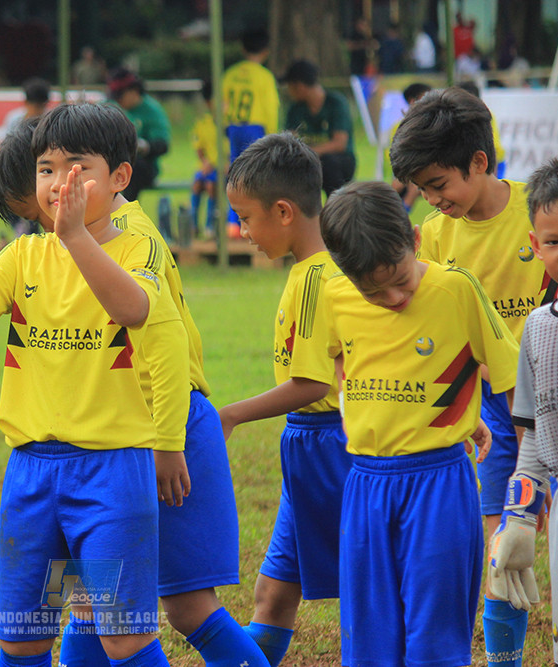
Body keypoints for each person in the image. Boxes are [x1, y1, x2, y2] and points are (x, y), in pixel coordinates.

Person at [0, 104, 270, 667]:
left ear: (106, 176)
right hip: (97, 442)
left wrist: (168, 441)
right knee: (88, 601)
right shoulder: (58, 242)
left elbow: (164, 348)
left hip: (160, 428)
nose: (46, 222)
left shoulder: (129, 238)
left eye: (45, 202)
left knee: (184, 605)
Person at [0, 102, 174, 667]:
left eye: (76, 168)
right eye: (46, 169)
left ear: (118, 177)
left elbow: (134, 308)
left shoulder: (136, 247)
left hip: (111, 474)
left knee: (122, 634)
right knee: (24, 636)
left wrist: (75, 238)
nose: (56, 183)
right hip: (33, 477)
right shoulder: (24, 253)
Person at [390, 86, 557, 667]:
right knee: (502, 548)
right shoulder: (434, 237)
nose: (432, 200)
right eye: (423, 190)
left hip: (557, 403)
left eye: (439, 185)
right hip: (488, 410)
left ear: (480, 162)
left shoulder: (540, 209)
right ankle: (505, 660)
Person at [320, 180, 519, 667]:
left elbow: (510, 375)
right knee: (369, 642)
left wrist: (534, 458)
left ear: (414, 241)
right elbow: (345, 364)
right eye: (373, 292)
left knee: (436, 641)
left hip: (439, 484)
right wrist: (403, 412)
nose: (393, 298)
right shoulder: (334, 297)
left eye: (402, 281)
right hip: (366, 484)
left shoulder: (456, 289)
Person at [218, 133, 353, 667]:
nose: (242, 231)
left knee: (365, 590)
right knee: (272, 597)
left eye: (246, 218)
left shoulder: (320, 276)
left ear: (283, 210)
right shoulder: (306, 270)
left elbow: (314, 384)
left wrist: (230, 415)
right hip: (304, 448)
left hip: (331, 449)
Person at [488, 153, 558, 667]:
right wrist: (519, 518)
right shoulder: (537, 330)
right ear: (534, 246)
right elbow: (533, 444)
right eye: (554, 242)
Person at [221, 28, 280, 235]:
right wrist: (273, 136)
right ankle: (256, 223)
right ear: (266, 51)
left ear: (242, 48)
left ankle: (232, 223)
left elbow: (222, 105)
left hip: (233, 128)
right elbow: (271, 109)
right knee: (257, 177)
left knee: (234, 175)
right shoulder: (264, 76)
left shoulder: (230, 74)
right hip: (255, 129)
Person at [282, 60, 356, 198]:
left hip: (339, 162)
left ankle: (335, 207)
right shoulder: (295, 109)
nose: (288, 90)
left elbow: (340, 144)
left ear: (300, 86)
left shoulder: (335, 103)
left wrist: (308, 152)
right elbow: (288, 141)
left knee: (328, 163)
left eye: (290, 85)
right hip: (307, 160)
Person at [107, 68, 171, 201]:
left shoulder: (152, 111)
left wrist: (144, 146)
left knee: (132, 168)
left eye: (120, 96)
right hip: (113, 162)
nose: (118, 101)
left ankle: (128, 212)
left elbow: (163, 145)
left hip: (142, 165)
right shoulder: (110, 107)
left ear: (133, 91)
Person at [386, 82, 432, 211]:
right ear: (413, 101)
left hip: (425, 168)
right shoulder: (400, 127)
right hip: (406, 169)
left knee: (413, 182)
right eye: (426, 97)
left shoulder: (436, 122)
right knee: (400, 183)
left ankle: (402, 211)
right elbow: (396, 156)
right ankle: (390, 209)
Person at [456, 81, 507, 179]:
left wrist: (492, 176)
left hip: (492, 163)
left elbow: (493, 147)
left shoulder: (484, 116)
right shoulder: (460, 116)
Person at [190, 79, 218, 237]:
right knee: (196, 184)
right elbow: (199, 148)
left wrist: (213, 163)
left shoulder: (227, 124)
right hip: (207, 167)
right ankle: (193, 225)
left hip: (222, 167)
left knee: (210, 186)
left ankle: (210, 226)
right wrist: (205, 162)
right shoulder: (203, 123)